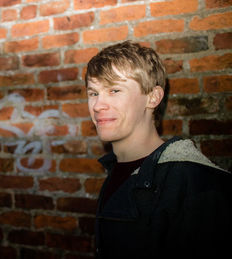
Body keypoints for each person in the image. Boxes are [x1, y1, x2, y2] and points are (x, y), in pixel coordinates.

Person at [85, 41, 231, 258]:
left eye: (114, 90)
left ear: (153, 97)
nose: (98, 105)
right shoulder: (116, 170)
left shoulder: (193, 181)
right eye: (93, 93)